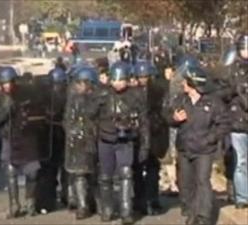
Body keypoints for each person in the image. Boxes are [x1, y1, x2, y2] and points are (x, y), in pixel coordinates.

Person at [163, 66, 230, 225]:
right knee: (186, 183)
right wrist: (174, 118)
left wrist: (210, 138)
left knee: (202, 181)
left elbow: (224, 123)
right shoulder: (181, 100)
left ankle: (204, 216)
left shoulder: (213, 102)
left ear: (193, 84)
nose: (183, 84)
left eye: (186, 82)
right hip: (185, 148)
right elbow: (166, 116)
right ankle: (192, 211)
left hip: (204, 149)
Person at [95, 61, 148, 224]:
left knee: (126, 173)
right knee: (105, 176)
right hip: (105, 138)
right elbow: (90, 115)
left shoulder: (136, 95)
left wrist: (145, 143)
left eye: (121, 79)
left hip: (126, 140)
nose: (117, 83)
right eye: (115, 80)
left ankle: (126, 210)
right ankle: (107, 209)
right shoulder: (102, 94)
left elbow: (144, 121)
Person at [0, 67, 45, 218]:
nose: (7, 86)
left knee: (32, 172)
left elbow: (39, 113)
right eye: (4, 83)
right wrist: (6, 111)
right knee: (11, 171)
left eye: (9, 82)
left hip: (28, 136)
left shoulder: (27, 94)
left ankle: (30, 203)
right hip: (9, 137)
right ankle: (14, 205)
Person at [133, 61, 168, 215]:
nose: (143, 80)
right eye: (141, 77)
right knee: (139, 169)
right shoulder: (133, 93)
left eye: (145, 76)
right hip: (139, 135)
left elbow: (164, 112)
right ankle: (142, 200)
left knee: (151, 169)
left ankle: (150, 199)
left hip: (154, 134)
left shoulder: (159, 91)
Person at [63, 67, 98, 219]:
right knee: (80, 174)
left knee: (87, 174)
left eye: (81, 83)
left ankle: (88, 203)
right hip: (78, 140)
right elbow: (67, 121)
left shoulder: (95, 99)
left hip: (89, 139)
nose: (77, 86)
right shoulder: (74, 99)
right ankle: (83, 205)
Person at [35, 67, 68, 213]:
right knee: (48, 172)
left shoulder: (67, 96)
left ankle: (64, 197)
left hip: (61, 134)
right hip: (48, 136)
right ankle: (49, 200)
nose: (56, 87)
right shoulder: (43, 97)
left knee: (64, 170)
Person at [223, 34, 248, 209]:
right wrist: (236, 91)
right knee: (241, 161)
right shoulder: (232, 69)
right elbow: (222, 94)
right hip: (238, 121)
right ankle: (242, 197)